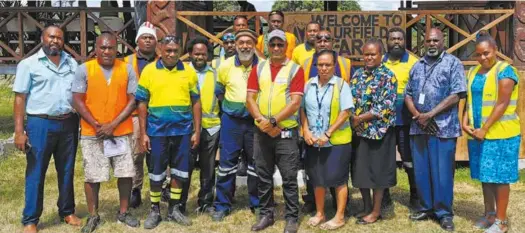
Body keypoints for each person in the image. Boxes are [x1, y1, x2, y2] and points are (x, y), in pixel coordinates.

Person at [13, 25, 82, 233]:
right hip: (40, 123)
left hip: (68, 122)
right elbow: (19, 98)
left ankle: (67, 211)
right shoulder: (29, 65)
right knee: (36, 172)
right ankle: (31, 219)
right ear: (43, 38)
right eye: (51, 37)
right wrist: (19, 131)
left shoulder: (72, 63)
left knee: (67, 170)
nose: (55, 41)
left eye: (59, 38)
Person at [72, 32, 140, 233]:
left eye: (111, 48)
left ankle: (124, 212)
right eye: (103, 47)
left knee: (126, 173)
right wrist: (96, 124)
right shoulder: (84, 69)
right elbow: (77, 100)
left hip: (121, 131)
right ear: (96, 49)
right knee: (92, 175)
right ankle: (93, 216)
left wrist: (113, 124)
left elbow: (133, 100)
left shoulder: (126, 69)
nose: (107, 51)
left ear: (116, 49)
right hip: (92, 132)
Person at [136, 35, 201, 229]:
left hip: (182, 131)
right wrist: (143, 133)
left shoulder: (188, 72)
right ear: (160, 51)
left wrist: (197, 131)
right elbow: (141, 102)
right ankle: (155, 209)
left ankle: (174, 209)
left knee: (179, 172)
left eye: (175, 51)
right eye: (168, 50)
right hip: (157, 132)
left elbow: (196, 102)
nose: (172, 54)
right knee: (156, 173)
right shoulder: (149, 71)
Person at [405, 28, 467, 232]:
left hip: (443, 128)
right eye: (428, 41)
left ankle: (444, 213)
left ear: (443, 42)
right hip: (419, 127)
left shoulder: (453, 63)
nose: (431, 44)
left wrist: (430, 114)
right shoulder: (417, 65)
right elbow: (408, 94)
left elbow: (457, 93)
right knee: (421, 171)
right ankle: (426, 207)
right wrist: (418, 115)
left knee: (442, 174)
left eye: (435, 40)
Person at [246, 29, 305, 233]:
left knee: (289, 177)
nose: (277, 48)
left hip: (285, 132)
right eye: (273, 45)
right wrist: (261, 121)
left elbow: (296, 102)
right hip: (261, 131)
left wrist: (273, 121)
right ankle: (266, 215)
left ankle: (291, 218)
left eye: (280, 44)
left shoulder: (295, 69)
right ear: (267, 47)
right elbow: (250, 98)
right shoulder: (258, 68)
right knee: (263, 176)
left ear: (286, 47)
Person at [463, 31, 521, 233]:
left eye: (486, 53)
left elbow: (502, 103)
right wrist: (465, 123)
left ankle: (501, 222)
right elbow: (468, 101)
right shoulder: (472, 72)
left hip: (501, 134)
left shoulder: (506, 71)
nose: (482, 58)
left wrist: (485, 128)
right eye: (478, 54)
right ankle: (489, 215)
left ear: (495, 50)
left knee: (500, 177)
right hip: (477, 134)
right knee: (485, 176)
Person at [301, 50, 353, 230]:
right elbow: (302, 109)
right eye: (320, 65)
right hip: (313, 141)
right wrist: (305, 129)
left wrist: (328, 133)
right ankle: (320, 213)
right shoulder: (309, 85)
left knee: (338, 180)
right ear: (316, 66)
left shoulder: (341, 85)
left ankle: (339, 216)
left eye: (327, 65)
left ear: (334, 66)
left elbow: (346, 112)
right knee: (317, 178)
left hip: (336, 142)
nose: (323, 68)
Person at [211, 29, 260, 222]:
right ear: (236, 45)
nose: (245, 46)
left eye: (249, 42)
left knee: (256, 164)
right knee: (226, 165)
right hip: (231, 121)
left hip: (255, 122)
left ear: (254, 45)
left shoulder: (263, 66)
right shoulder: (225, 66)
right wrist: (233, 108)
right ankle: (222, 204)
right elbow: (219, 92)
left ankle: (258, 203)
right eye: (242, 43)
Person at [350, 38, 397, 225]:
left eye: (373, 54)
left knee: (377, 173)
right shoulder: (357, 74)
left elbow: (385, 106)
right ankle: (366, 206)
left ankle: (376, 211)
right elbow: (350, 98)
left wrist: (359, 118)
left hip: (379, 132)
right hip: (359, 131)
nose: (369, 57)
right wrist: (353, 119)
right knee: (361, 171)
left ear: (381, 55)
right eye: (366, 54)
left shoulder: (388, 76)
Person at [181, 36, 221, 214]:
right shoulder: (181, 72)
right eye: (196, 53)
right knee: (184, 167)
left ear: (208, 56)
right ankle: (180, 203)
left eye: (203, 54)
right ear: (190, 54)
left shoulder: (215, 75)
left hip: (211, 127)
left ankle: (206, 202)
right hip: (187, 128)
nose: (199, 57)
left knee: (208, 168)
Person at [381, 27, 420, 210]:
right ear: (387, 42)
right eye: (392, 38)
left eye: (399, 39)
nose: (396, 42)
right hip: (383, 122)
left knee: (408, 158)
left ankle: (415, 195)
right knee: (385, 159)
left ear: (405, 41)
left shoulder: (414, 62)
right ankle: (385, 196)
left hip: (406, 121)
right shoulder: (380, 61)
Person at [124, 21, 159, 209]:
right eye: (144, 38)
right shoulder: (126, 62)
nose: (147, 41)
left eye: (151, 38)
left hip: (157, 114)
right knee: (136, 154)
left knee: (159, 153)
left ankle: (162, 188)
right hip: (135, 115)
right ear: (138, 41)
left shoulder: (162, 60)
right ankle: (135, 189)